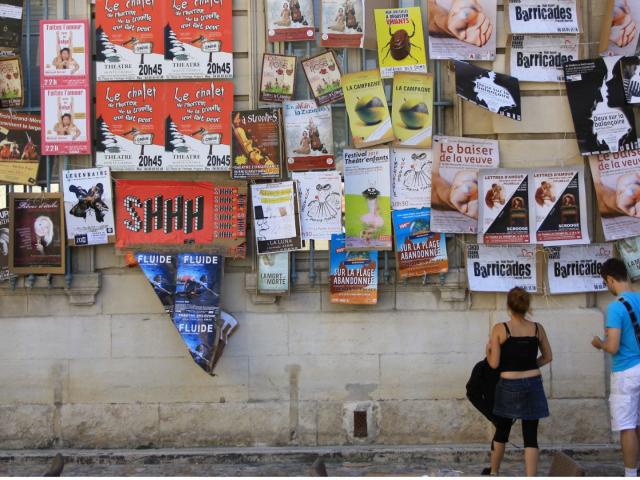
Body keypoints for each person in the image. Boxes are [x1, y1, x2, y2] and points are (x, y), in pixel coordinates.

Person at [485, 287, 553, 476]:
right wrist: (530, 366)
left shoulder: (500, 329)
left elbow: (494, 364)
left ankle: (494, 472)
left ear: (509, 306)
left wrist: (488, 351)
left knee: (502, 431)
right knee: (530, 436)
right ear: (526, 306)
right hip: (533, 383)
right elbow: (547, 357)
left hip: (508, 385)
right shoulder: (538, 328)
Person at [592, 258, 640, 477]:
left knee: (628, 426)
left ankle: (631, 474)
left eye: (606, 282)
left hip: (626, 372)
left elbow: (612, 346)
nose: (607, 286)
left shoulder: (616, 307)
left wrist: (599, 343)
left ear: (610, 279)